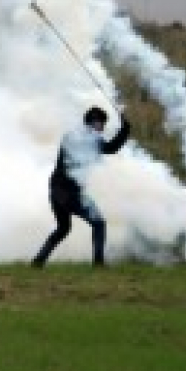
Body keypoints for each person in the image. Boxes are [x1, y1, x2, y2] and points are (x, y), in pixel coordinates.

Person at [32, 106, 130, 268]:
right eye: (101, 124)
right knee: (98, 223)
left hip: (56, 191)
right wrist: (125, 128)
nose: (103, 128)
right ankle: (98, 263)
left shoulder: (70, 136)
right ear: (94, 123)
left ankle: (39, 260)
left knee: (63, 228)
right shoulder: (91, 139)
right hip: (71, 194)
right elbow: (111, 148)